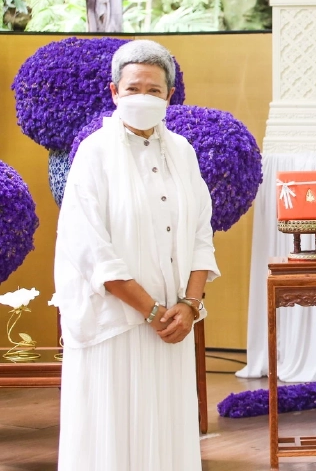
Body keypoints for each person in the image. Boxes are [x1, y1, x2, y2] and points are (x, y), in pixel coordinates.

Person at [54, 40, 219, 471]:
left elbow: (202, 232)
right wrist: (151, 312)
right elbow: (90, 249)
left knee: (165, 434)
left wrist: (189, 306)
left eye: (153, 90)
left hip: (174, 327)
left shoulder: (183, 152)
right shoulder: (93, 153)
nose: (142, 97)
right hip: (116, 325)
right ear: (114, 92)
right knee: (112, 433)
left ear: (168, 96)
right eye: (133, 88)